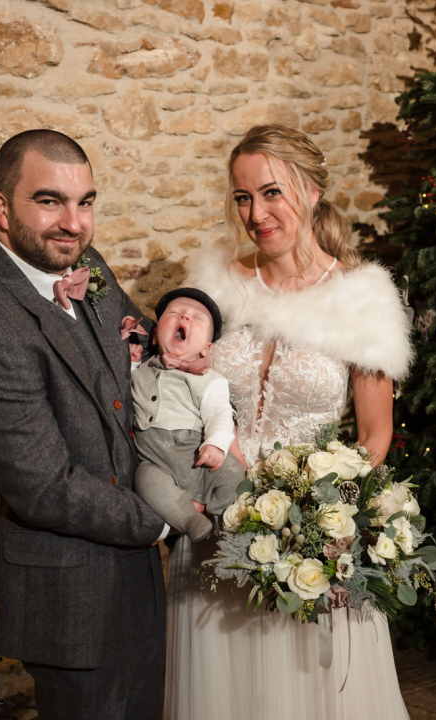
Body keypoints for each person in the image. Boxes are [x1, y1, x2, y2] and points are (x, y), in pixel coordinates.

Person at [164, 124, 414, 719]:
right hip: (212, 532)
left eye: (271, 192)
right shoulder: (218, 286)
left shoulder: (362, 297)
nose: (257, 213)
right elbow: (183, 383)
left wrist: (318, 509)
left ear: (311, 190)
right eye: (243, 197)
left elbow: (375, 437)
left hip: (305, 541)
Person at [0, 129, 169, 720]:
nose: (74, 222)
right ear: (1, 207)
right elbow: (45, 486)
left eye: (85, 201)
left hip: (136, 572)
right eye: (49, 201)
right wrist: (167, 519)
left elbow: (142, 349)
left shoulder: (86, 265)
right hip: (72, 597)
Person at [131, 288, 245, 541]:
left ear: (207, 348)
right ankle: (188, 519)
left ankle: (225, 517)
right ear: (153, 337)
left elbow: (219, 414)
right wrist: (131, 364)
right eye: (174, 313)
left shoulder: (210, 380)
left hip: (197, 453)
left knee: (234, 472)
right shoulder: (141, 370)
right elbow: (131, 387)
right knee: (145, 480)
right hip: (155, 460)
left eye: (197, 318)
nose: (184, 318)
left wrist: (216, 444)